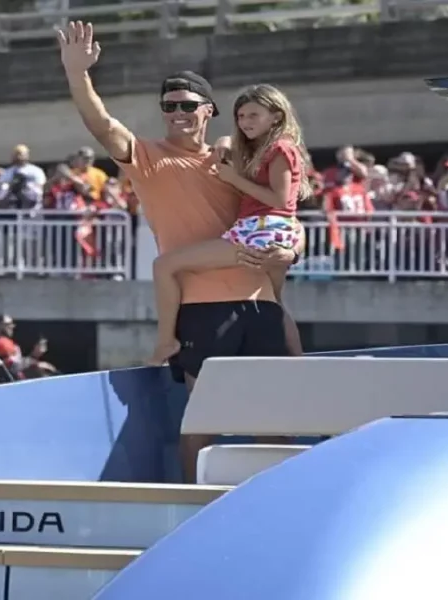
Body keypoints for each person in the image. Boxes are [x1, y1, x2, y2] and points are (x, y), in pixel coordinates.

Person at [57, 22, 305, 482]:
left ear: (209, 110)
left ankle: (277, 502)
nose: (177, 113)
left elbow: (286, 217)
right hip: (200, 308)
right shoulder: (148, 156)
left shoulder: (236, 161)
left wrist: (291, 254)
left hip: (261, 303)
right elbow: (102, 124)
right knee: (203, 419)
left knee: (275, 422)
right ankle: (192, 505)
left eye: (187, 105)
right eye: (169, 106)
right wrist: (78, 74)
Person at [149, 84, 309, 364]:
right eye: (241, 116)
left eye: (253, 115)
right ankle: (298, 364)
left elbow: (281, 200)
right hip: (271, 231)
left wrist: (234, 179)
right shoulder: (264, 148)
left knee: (164, 265)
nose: (245, 122)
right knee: (275, 302)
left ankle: (166, 342)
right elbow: (228, 142)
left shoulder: (281, 149)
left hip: (260, 230)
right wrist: (225, 143)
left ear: (276, 116)